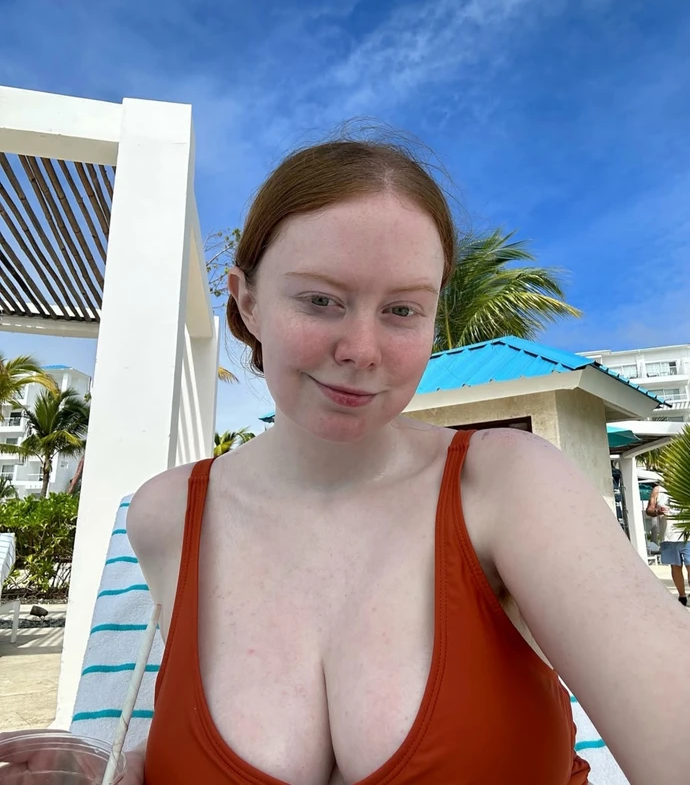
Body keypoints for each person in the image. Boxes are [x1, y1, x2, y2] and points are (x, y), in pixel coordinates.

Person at [2, 138, 689, 785]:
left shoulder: (509, 487)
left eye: (402, 310)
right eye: (321, 300)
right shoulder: (166, 515)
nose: (362, 349)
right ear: (247, 301)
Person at [647, 483, 690, 606]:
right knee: (675, 567)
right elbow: (649, 510)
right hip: (668, 535)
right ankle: (682, 596)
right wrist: (657, 511)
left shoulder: (686, 484)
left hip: (687, 535)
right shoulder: (658, 490)